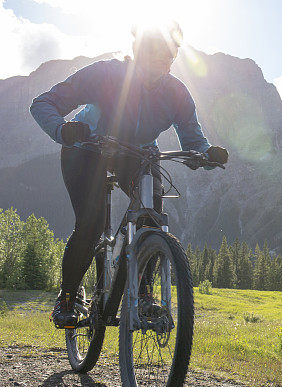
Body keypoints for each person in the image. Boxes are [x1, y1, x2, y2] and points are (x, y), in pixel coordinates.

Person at [30, 21, 227, 328]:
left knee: (151, 218)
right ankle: (67, 297)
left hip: (137, 154)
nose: (162, 62)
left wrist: (206, 154)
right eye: (154, 53)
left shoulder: (176, 92)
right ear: (137, 51)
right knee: (91, 223)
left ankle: (145, 293)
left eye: (169, 56)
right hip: (87, 148)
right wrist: (61, 129)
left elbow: (192, 137)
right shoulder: (106, 74)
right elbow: (44, 103)